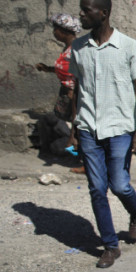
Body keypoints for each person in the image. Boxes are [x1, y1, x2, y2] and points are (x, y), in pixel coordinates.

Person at [68, 0, 136, 269]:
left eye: (86, 10)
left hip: (120, 128)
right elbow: (77, 88)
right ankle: (110, 246)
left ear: (103, 13)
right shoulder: (78, 48)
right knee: (97, 188)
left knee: (119, 184)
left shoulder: (128, 46)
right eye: (81, 9)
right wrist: (75, 125)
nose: (81, 15)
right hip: (89, 126)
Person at [35, 13, 84, 172]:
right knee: (62, 123)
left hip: (73, 94)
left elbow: (77, 73)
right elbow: (65, 69)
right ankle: (74, 152)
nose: (54, 32)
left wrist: (72, 92)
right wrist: (48, 69)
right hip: (67, 93)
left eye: (56, 29)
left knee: (77, 127)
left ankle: (84, 161)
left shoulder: (76, 49)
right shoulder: (69, 48)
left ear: (65, 30)